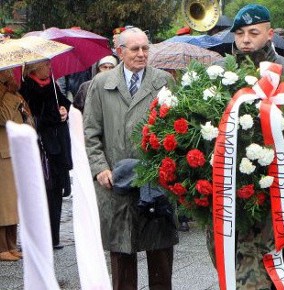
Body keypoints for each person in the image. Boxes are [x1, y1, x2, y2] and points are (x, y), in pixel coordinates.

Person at [212, 4, 284, 289]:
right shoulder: (223, 71)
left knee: (262, 271)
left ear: (270, 33)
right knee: (225, 263)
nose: (245, 39)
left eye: (253, 32)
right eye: (240, 33)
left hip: (268, 191)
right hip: (226, 188)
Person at [84, 27, 178, 289]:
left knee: (160, 256)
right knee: (122, 258)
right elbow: (91, 133)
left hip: (155, 180)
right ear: (120, 52)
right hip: (116, 183)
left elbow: (176, 128)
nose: (141, 54)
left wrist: (168, 169)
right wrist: (100, 168)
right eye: (135, 49)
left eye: (145, 48)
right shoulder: (101, 85)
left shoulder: (164, 81)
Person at [19, 60, 72, 251]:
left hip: (58, 147)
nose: (50, 67)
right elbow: (30, 120)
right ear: (35, 68)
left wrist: (65, 109)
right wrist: (53, 117)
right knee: (41, 193)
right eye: (46, 64)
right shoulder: (26, 88)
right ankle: (39, 238)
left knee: (56, 192)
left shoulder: (52, 84)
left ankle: (54, 237)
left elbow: (65, 103)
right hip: (40, 148)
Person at [0, 68, 34, 261]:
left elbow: (26, 117)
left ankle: (12, 244)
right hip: (3, 153)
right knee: (4, 203)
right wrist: (8, 94)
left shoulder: (13, 93)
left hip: (15, 151)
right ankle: (2, 247)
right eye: (7, 74)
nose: (12, 76)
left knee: (13, 203)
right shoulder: (4, 94)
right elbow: (4, 117)